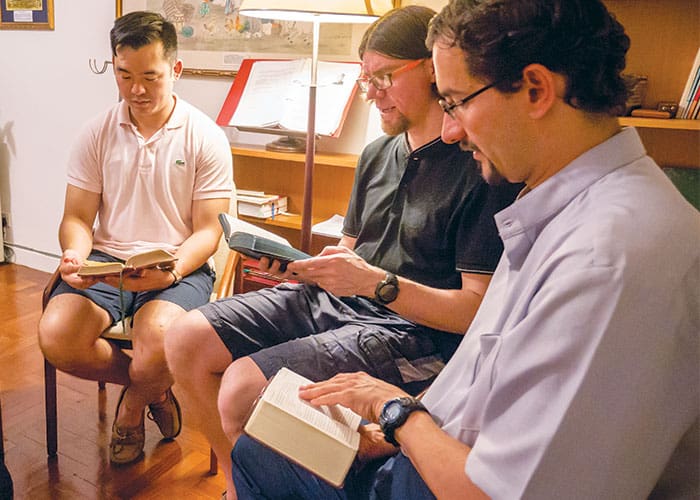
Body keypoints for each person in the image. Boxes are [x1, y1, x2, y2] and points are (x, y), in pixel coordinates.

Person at [228, 0, 700, 498]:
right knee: (264, 440)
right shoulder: (557, 208)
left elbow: (498, 491)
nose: (450, 130)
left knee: (259, 453)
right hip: (429, 448)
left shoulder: (609, 260)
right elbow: (482, 366)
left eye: (454, 102)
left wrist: (396, 414)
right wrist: (395, 428)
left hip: (442, 479)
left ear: (535, 90)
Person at [164, 5, 520, 497]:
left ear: (432, 69)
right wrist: (300, 267)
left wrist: (374, 284)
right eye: (365, 78)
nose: (371, 93)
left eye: (384, 77)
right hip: (340, 302)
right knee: (184, 338)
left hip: (411, 332)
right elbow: (348, 252)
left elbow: (473, 311)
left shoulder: (476, 166)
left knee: (243, 387)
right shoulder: (377, 153)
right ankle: (238, 481)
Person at [37, 11, 233, 465]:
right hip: (108, 259)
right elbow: (77, 216)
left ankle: (131, 411)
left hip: (177, 261)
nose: (136, 89)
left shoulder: (205, 136)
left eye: (150, 76)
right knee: (56, 335)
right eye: (124, 75)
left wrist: (173, 270)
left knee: (161, 343)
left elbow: (209, 230)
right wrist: (75, 255)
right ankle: (155, 392)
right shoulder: (96, 131)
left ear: (175, 71)